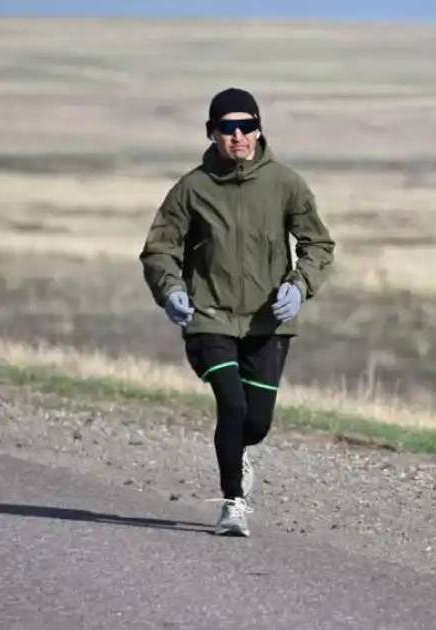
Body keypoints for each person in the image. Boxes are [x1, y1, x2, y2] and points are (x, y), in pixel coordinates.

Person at [140, 87, 335, 537]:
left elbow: (318, 245)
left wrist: (300, 286)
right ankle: (233, 503)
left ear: (259, 130)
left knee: (256, 422)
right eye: (228, 128)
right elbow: (160, 250)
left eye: (247, 126)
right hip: (209, 316)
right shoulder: (191, 189)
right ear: (212, 133)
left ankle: (238, 453)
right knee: (231, 404)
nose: (238, 135)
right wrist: (171, 290)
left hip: (269, 321)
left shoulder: (286, 184)